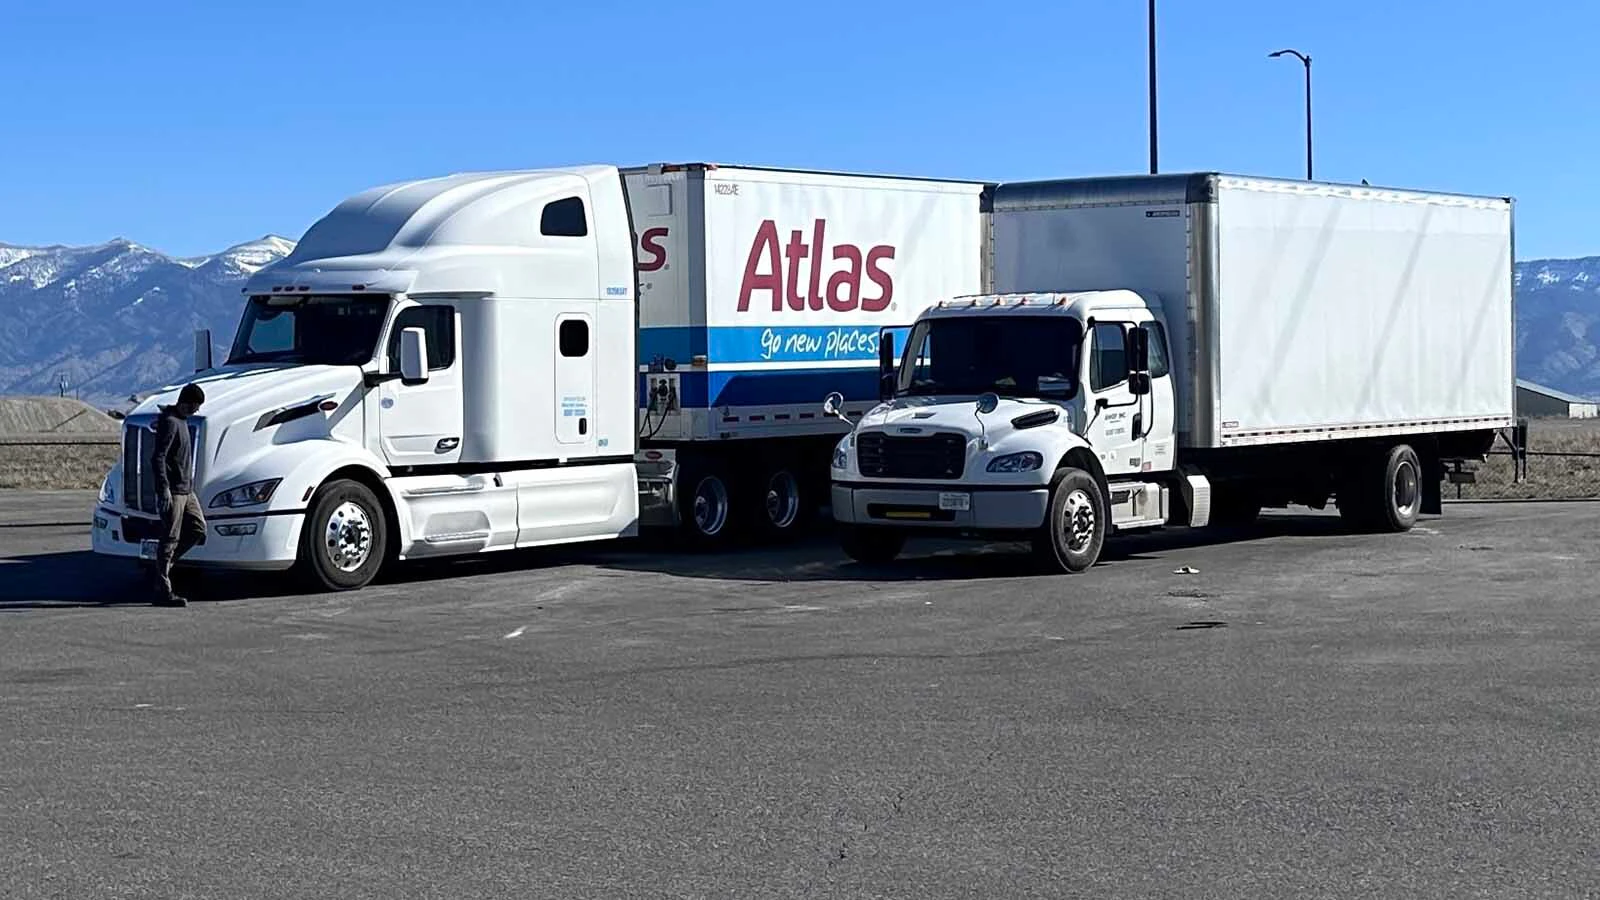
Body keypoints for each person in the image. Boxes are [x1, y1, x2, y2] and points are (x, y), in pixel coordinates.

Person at [150, 383, 207, 607]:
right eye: (195, 405)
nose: (196, 410)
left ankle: (163, 568)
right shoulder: (170, 422)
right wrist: (163, 488)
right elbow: (158, 457)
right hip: (174, 491)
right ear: (187, 402)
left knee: (198, 528)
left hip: (187, 490)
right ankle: (163, 591)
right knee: (169, 538)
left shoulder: (182, 421)